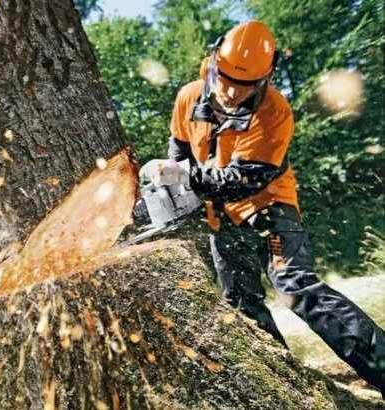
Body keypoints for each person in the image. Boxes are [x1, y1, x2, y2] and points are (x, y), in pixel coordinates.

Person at [140, 20, 384, 395]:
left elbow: (244, 180)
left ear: (264, 78)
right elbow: (180, 151)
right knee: (241, 304)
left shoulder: (274, 111)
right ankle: (290, 390)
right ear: (214, 61)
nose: (230, 91)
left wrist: (185, 176)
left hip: (270, 209)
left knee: (295, 286)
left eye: (244, 85)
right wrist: (171, 178)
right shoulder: (189, 97)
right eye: (224, 78)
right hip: (219, 218)